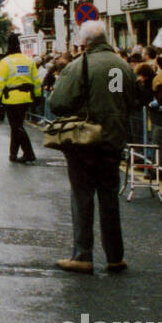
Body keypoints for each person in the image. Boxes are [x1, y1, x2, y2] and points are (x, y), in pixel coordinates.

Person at [48, 20, 137, 274]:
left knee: (82, 196)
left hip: (85, 140)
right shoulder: (121, 66)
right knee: (109, 197)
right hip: (113, 139)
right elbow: (126, 100)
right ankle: (115, 256)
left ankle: (82, 255)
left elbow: (58, 103)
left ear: (84, 42)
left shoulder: (79, 65)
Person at [0, 33, 40, 163]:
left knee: (16, 127)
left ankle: (29, 153)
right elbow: (36, 81)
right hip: (26, 98)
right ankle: (13, 154)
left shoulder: (4, 62)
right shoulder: (29, 61)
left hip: (11, 99)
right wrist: (37, 96)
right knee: (17, 126)